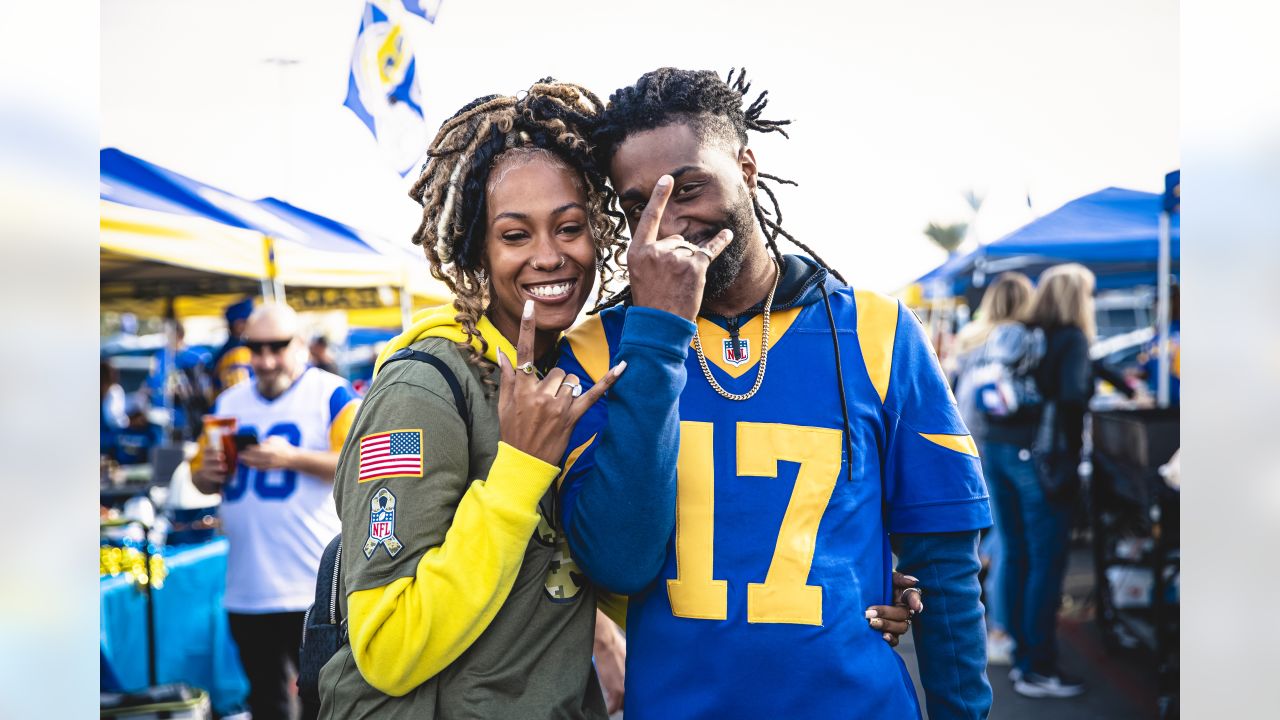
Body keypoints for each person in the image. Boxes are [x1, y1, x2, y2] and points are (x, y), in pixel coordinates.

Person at [317, 79, 921, 718]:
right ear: (475, 247)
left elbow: (606, 563)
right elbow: (386, 648)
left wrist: (846, 580)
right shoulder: (425, 390)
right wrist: (520, 474)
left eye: (570, 227)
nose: (549, 257)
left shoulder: (578, 371)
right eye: (515, 236)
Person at [557, 67, 990, 720]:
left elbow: (945, 565)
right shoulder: (599, 350)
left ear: (748, 167)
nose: (668, 223)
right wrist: (660, 332)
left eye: (689, 188)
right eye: (638, 203)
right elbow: (619, 562)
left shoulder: (875, 331)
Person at [192, 302, 360, 720]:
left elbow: (359, 465)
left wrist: (293, 459)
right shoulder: (229, 401)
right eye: (256, 348)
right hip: (249, 586)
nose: (265, 361)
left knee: (322, 704)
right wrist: (208, 471)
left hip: (312, 587)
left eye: (277, 347)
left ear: (301, 345)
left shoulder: (331, 394)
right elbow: (202, 480)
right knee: (268, 704)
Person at [982, 262, 1097, 698]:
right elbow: (1072, 396)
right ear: (1076, 298)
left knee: (1016, 553)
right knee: (1046, 564)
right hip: (1044, 459)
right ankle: (1037, 668)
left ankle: (1015, 650)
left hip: (999, 448)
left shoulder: (1022, 331)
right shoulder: (1071, 338)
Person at [953, 272, 1035, 667]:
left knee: (982, 536)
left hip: (963, 444)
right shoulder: (1013, 336)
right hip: (997, 443)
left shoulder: (970, 336)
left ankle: (978, 602)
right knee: (1004, 538)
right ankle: (999, 630)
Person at [210, 297, 255, 399]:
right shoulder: (237, 353)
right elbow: (241, 396)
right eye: (249, 321)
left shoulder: (230, 349)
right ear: (238, 324)